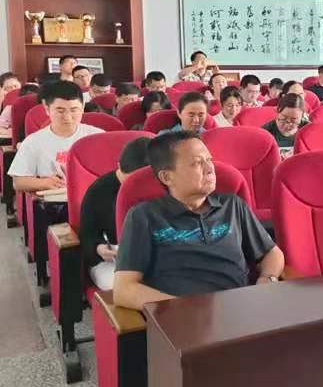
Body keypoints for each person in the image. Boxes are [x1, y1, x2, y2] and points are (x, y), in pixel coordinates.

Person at [113, 132, 285, 310]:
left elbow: (272, 253)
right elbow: (124, 290)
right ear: (167, 177)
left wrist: (268, 278)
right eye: (197, 163)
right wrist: (185, 309)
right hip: (183, 317)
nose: (210, 168)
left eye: (209, 160)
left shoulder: (232, 206)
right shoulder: (144, 216)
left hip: (241, 308)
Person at [79, 137, 151, 290]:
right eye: (130, 180)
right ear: (118, 166)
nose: (133, 187)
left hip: (152, 256)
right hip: (110, 261)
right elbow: (87, 235)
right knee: (127, 287)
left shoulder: (159, 186)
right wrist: (98, 248)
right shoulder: (98, 191)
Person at [9, 81, 104, 192]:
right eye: (60, 111)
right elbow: (18, 182)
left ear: (82, 107)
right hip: (54, 199)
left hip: (91, 196)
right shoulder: (33, 141)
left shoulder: (98, 136)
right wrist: (45, 183)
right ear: (47, 108)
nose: (67, 117)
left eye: (74, 110)